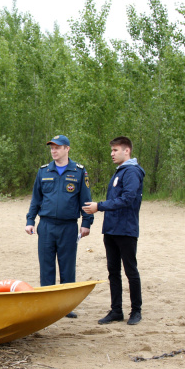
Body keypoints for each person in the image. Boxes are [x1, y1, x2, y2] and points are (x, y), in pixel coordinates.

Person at [25, 135, 93, 318]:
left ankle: (65, 307)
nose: (54, 151)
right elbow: (36, 200)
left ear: (67, 149)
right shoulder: (44, 171)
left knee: (67, 267)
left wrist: (86, 223)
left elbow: (86, 201)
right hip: (46, 225)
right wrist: (30, 220)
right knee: (46, 266)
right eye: (52, 148)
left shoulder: (78, 171)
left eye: (58, 147)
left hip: (68, 226)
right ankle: (48, 306)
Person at [82, 136, 145, 325]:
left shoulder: (132, 172)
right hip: (111, 230)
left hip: (126, 230)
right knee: (113, 271)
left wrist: (99, 206)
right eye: (111, 150)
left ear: (127, 151)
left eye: (115, 150)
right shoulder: (120, 172)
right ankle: (116, 310)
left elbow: (127, 199)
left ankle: (136, 311)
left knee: (130, 271)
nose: (112, 154)